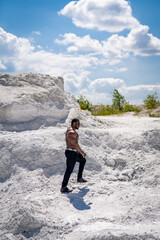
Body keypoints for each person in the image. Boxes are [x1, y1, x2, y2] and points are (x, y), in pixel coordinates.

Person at [61, 118, 87, 193]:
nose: (79, 125)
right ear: (74, 124)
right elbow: (75, 145)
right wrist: (82, 152)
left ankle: (79, 178)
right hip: (71, 153)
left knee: (83, 160)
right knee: (69, 170)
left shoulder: (69, 130)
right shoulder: (72, 133)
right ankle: (63, 187)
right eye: (78, 124)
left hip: (73, 152)